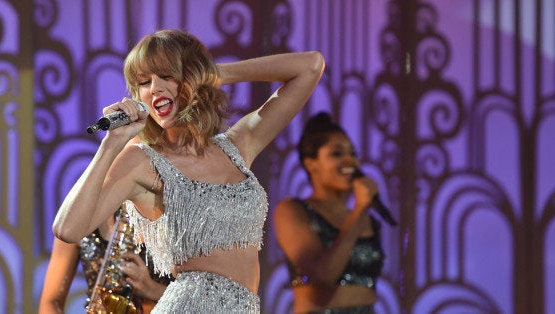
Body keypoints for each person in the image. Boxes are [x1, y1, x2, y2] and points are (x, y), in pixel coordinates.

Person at [52, 29, 324, 313]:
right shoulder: (142, 160)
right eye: (144, 82)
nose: (154, 88)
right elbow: (67, 229)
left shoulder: (239, 144)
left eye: (167, 75)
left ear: (194, 77)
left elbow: (310, 66)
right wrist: (111, 145)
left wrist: (215, 74)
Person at [273, 112, 386, 314]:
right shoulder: (292, 211)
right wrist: (359, 209)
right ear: (311, 163)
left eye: (353, 153)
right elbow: (323, 276)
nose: (350, 160)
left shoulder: (367, 220)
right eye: (337, 154)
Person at [39, 207, 170, 314]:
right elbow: (50, 302)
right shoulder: (81, 210)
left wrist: (153, 290)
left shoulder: (176, 210)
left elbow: (191, 297)